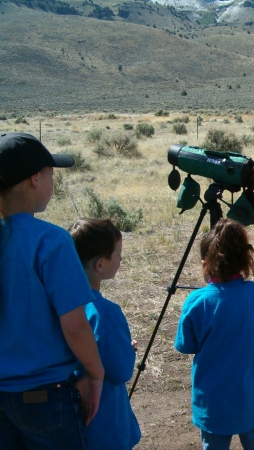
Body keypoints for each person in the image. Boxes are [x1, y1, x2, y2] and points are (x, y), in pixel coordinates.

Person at [0, 132, 104, 449]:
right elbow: (75, 324)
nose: (51, 182)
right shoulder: (51, 241)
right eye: (50, 174)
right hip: (47, 395)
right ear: (35, 179)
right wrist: (95, 373)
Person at [174, 218, 254, 450]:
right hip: (251, 399)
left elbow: (185, 345)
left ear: (205, 263)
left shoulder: (196, 301)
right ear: (245, 259)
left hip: (212, 403)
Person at [68, 218, 141, 450]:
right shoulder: (105, 314)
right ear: (100, 264)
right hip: (104, 421)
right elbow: (121, 370)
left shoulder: (60, 305)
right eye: (117, 254)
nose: (120, 259)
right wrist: (127, 350)